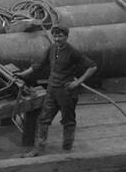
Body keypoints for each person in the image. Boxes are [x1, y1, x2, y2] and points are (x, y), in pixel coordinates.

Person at [16, 24, 98, 155]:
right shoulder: (52, 48)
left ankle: (67, 149)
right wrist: (24, 74)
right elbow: (39, 64)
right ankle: (38, 149)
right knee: (43, 119)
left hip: (66, 92)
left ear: (66, 36)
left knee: (68, 121)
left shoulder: (73, 52)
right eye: (55, 36)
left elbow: (92, 66)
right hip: (51, 90)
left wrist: (77, 82)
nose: (57, 39)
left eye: (60, 36)